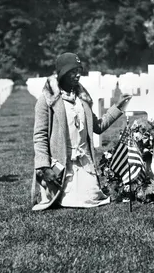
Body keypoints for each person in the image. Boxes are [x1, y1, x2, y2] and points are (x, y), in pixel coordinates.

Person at [31, 52, 132, 211]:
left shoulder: (82, 99)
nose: (77, 75)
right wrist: (44, 167)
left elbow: (98, 126)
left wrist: (118, 107)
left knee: (91, 198)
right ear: (62, 73)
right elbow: (40, 136)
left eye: (79, 70)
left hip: (84, 162)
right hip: (61, 165)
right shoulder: (47, 100)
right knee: (69, 200)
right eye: (72, 71)